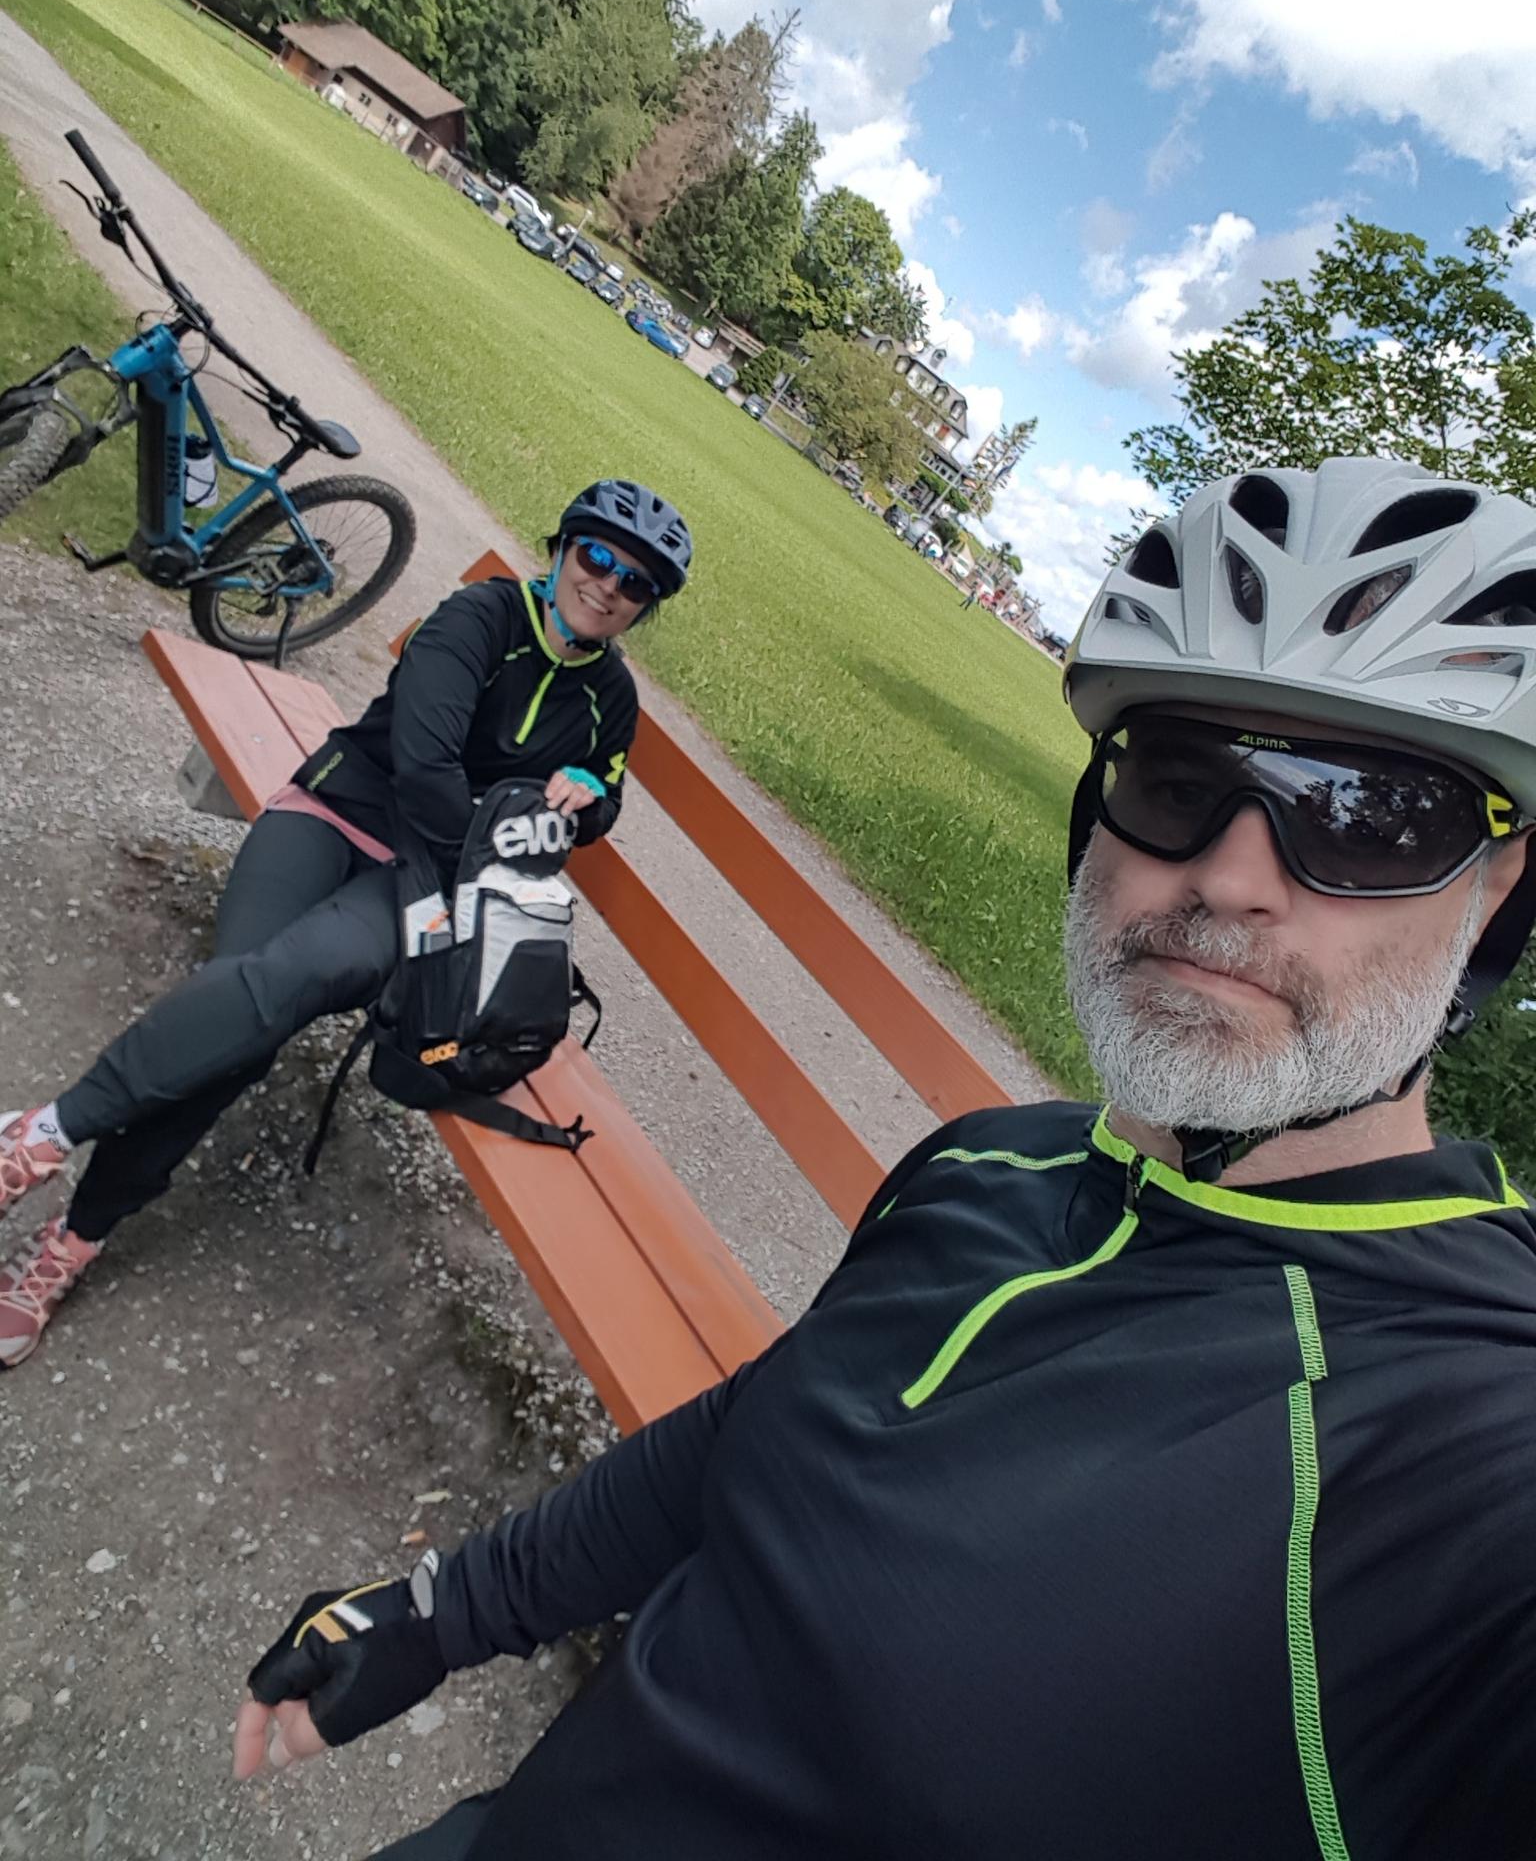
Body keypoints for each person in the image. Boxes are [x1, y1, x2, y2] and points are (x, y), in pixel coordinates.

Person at [234, 458, 1536, 1858]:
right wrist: (442, 1612)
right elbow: (761, 1430)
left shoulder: (1470, 1442)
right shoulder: (986, 1172)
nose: (1227, 876)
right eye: (1177, 778)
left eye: (1367, 817)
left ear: (1498, 897)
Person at [0, 480, 691, 1366]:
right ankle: (57, 1176)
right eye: (596, 556)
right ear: (562, 549)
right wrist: (499, 839)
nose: (608, 585)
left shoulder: (610, 697)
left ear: (644, 606)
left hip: (428, 887)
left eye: (636, 583)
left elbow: (605, 799)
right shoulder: (481, 618)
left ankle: (54, 1177)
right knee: (248, 1014)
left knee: (272, 994)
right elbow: (424, 768)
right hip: (337, 813)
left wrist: (588, 797)